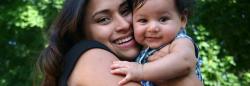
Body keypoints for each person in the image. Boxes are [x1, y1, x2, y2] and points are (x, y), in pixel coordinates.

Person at [37, 0, 142, 86]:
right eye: (103, 19)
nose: (124, 25)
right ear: (80, 32)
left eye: (125, 11)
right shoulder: (92, 56)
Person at [110, 0, 203, 86]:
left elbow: (184, 60)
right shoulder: (140, 48)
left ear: (182, 19)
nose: (153, 28)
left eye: (163, 19)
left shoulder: (181, 41)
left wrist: (141, 71)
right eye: (143, 21)